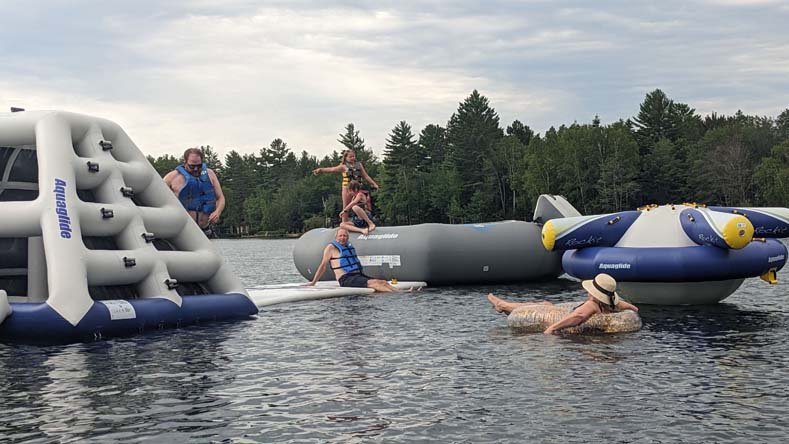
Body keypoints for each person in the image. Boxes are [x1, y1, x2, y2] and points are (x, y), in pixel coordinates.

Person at [487, 273, 638, 335]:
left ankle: (503, 306)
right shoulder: (613, 304)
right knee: (546, 303)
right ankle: (504, 305)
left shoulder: (592, 305)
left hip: (558, 318)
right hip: (568, 315)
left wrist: (552, 328)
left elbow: (577, 317)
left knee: (542, 306)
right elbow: (634, 309)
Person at [306, 228, 397, 292]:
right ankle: (395, 295)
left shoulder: (348, 246)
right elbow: (323, 266)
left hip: (357, 275)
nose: (342, 238)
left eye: (345, 236)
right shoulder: (331, 248)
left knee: (383, 282)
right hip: (345, 279)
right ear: (336, 237)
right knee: (376, 283)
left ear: (348, 237)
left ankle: (399, 293)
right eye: (340, 236)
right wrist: (313, 282)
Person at [164, 148, 225, 232]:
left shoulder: (210, 174)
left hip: (205, 228)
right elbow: (158, 199)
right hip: (182, 230)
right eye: (192, 166)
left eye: (199, 166)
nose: (196, 169)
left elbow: (220, 198)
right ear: (185, 162)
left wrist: (217, 212)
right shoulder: (171, 177)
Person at [312, 149, 379, 222]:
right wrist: (320, 170)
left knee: (360, 205)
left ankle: (364, 221)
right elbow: (332, 169)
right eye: (350, 157)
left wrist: (374, 184)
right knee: (346, 206)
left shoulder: (359, 165)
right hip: (347, 188)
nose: (352, 158)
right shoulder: (343, 166)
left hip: (357, 188)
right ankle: (344, 222)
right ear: (346, 158)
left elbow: (366, 176)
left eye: (353, 156)